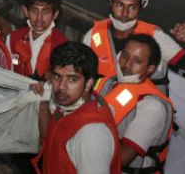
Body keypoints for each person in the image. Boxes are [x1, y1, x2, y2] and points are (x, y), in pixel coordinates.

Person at [82, 0, 185, 93]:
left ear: (141, 8)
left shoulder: (156, 37)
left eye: (132, 7)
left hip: (144, 107)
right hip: (102, 105)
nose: (125, 13)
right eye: (120, 5)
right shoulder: (94, 34)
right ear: (111, 4)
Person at [32, 42, 121, 174]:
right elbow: (52, 139)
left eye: (72, 79)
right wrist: (42, 99)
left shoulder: (90, 135)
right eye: (57, 76)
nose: (62, 86)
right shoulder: (69, 103)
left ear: (89, 83)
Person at [94, 34, 175, 173]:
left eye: (137, 60)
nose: (126, 64)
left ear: (150, 69)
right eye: (125, 55)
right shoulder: (108, 83)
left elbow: (123, 158)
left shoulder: (152, 107)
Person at [6, 0, 67, 80]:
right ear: (26, 11)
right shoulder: (13, 39)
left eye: (45, 12)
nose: (39, 17)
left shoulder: (63, 45)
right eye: (35, 11)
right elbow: (7, 71)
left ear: (55, 14)